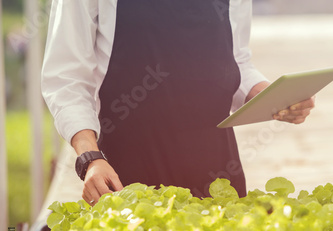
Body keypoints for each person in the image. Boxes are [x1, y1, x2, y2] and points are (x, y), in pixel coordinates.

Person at [41, 0, 315, 206]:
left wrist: (271, 96)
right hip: (127, 173)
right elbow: (66, 78)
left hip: (219, 174)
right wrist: (90, 158)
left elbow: (236, 61)